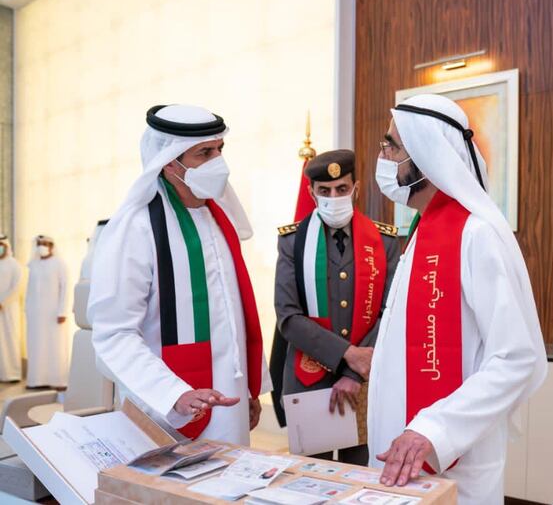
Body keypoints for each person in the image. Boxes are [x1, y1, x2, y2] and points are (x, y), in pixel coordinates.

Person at [368, 94, 547, 504]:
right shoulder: (422, 230)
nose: (383, 156)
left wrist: (434, 430)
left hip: (453, 462)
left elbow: (517, 357)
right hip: (402, 456)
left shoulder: (476, 234)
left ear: (427, 157)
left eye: (391, 146)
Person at [88, 104, 270, 445]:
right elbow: (113, 335)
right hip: (165, 409)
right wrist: (173, 394)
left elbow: (235, 317)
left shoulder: (221, 219)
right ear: (170, 161)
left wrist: (250, 388)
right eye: (205, 153)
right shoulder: (137, 229)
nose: (219, 162)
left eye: (220, 150)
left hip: (229, 402)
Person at [273, 149, 400, 465]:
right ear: (311, 193)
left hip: (365, 381)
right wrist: (348, 355)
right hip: (308, 378)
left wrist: (356, 372)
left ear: (356, 188)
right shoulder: (293, 242)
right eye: (324, 191)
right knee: (309, 481)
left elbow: (392, 312)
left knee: (359, 477)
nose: (334, 197)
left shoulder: (385, 241)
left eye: (342, 189)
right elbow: (288, 317)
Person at [25, 235, 69, 388]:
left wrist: (62, 311)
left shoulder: (59, 263)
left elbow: (65, 288)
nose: (41, 246)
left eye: (45, 244)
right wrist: (27, 309)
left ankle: (58, 381)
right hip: (35, 313)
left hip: (54, 313)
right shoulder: (33, 264)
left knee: (55, 345)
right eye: (39, 243)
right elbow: (29, 289)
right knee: (36, 345)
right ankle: (37, 380)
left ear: (51, 246)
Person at [0, 234, 22, 382]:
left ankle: (12, 374)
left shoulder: (14, 264)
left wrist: (3, 302)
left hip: (8, 309)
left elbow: (17, 287)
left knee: (10, 339)